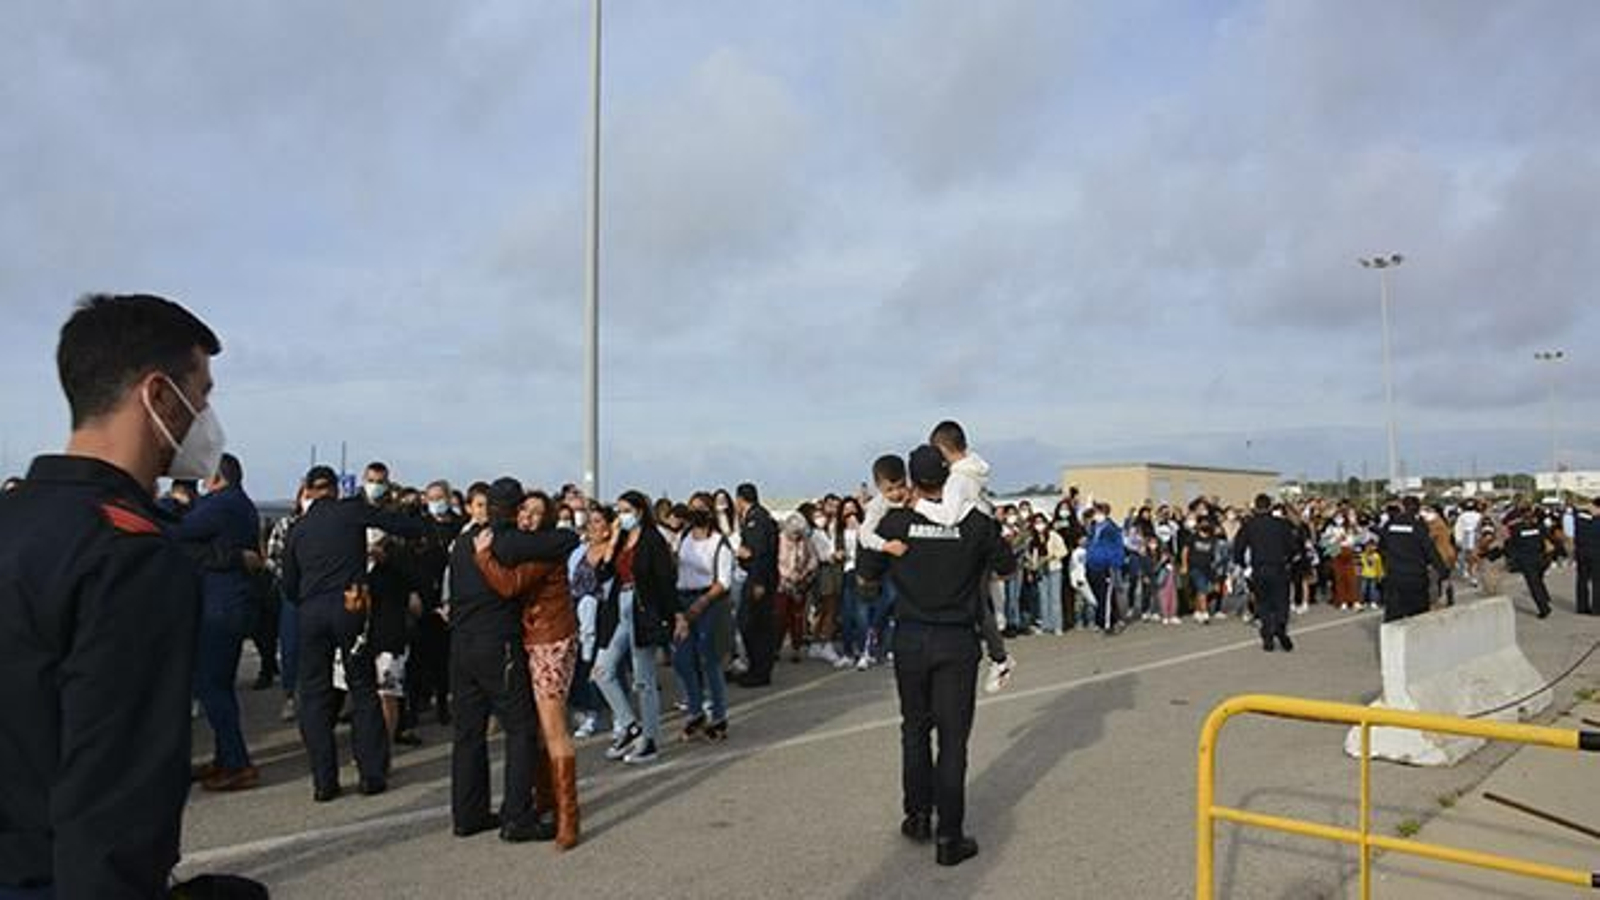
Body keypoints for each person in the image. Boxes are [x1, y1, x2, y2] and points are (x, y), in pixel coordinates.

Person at [0, 293, 254, 897]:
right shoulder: (130, 556)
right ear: (159, 395)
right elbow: (113, 807)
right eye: (204, 393)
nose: (207, 416)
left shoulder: (15, 519)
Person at [856, 445, 1016, 868]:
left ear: (911, 480)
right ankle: (950, 835)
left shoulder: (893, 521)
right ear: (947, 476)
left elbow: (866, 579)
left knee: (914, 730)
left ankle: (918, 816)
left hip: (910, 637)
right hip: (957, 641)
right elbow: (1007, 565)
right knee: (952, 740)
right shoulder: (976, 520)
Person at [282, 464, 423, 802]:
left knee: (314, 695)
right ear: (335, 488)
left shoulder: (298, 529)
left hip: (312, 612)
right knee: (362, 689)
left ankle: (324, 781)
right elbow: (401, 525)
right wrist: (415, 521)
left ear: (309, 491)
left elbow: (288, 583)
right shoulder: (350, 511)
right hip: (350, 606)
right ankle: (371, 774)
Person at [473, 485, 585, 850]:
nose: (528, 517)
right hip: (536, 637)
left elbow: (509, 585)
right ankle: (547, 801)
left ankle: (569, 817)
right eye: (524, 510)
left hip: (550, 638)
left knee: (553, 727)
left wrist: (484, 556)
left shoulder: (545, 547)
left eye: (537, 512)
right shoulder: (533, 544)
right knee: (539, 728)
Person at [173, 452, 262, 792]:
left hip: (219, 606)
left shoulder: (221, 505)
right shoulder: (241, 504)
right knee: (219, 686)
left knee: (212, 686)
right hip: (230, 602)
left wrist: (174, 502)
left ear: (215, 478)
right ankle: (227, 756)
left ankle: (237, 763)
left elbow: (177, 534)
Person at [594, 491, 677, 765]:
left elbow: (665, 580)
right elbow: (603, 573)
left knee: (644, 679)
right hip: (621, 606)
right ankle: (630, 725)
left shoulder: (653, 540)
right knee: (602, 671)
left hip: (644, 609)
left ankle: (650, 739)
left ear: (640, 511)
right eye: (618, 511)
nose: (622, 516)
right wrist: (614, 538)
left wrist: (673, 615)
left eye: (626, 510)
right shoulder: (622, 540)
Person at [671, 506, 734, 741]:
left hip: (710, 600)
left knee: (710, 660)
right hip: (684, 596)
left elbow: (723, 581)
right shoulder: (684, 538)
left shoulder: (719, 544)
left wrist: (702, 602)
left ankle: (718, 716)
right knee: (682, 658)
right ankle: (695, 710)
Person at [1232, 495, 1301, 652]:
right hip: (1279, 568)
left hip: (1259, 569)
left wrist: (1243, 564)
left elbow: (1238, 547)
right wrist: (1288, 560)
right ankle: (1280, 627)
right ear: (1270, 507)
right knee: (1281, 602)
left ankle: (1268, 637)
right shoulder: (1281, 524)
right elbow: (1292, 547)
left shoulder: (1249, 525)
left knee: (1263, 603)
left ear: (1256, 507)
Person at [733, 483, 780, 688]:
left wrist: (759, 581)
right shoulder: (756, 517)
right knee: (753, 624)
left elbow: (760, 553)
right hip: (757, 575)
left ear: (740, 499)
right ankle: (756, 668)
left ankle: (760, 670)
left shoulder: (757, 519)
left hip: (758, 577)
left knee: (754, 625)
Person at [1376, 497, 1445, 623]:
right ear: (1417, 510)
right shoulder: (1418, 527)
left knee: (1393, 615)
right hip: (1415, 577)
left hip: (1394, 576)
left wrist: (1389, 564)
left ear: (1403, 507)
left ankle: (1391, 641)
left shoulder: (1389, 526)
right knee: (1418, 617)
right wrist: (1442, 571)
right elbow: (1430, 551)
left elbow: (1381, 549)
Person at [1505, 501, 1554, 618]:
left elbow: (1511, 544)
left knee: (1534, 585)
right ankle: (1545, 598)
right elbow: (1547, 541)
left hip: (1526, 560)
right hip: (1541, 558)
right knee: (1539, 579)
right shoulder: (1540, 527)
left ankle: (1544, 608)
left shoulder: (1516, 528)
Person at [1085, 503, 1126, 635]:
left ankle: (1107, 623)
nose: (1097, 515)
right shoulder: (1093, 527)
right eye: (1096, 513)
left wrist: (1115, 564)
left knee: (1106, 595)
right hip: (1092, 564)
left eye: (1099, 513)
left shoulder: (1112, 529)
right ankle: (1105, 619)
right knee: (1098, 595)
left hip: (1106, 565)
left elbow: (1118, 547)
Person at [1574, 496, 1598, 616]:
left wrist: (1588, 506)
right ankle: (1597, 609)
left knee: (1582, 580)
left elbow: (1576, 509)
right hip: (1596, 554)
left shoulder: (1580, 518)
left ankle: (1582, 607)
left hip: (1581, 553)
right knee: (1597, 581)